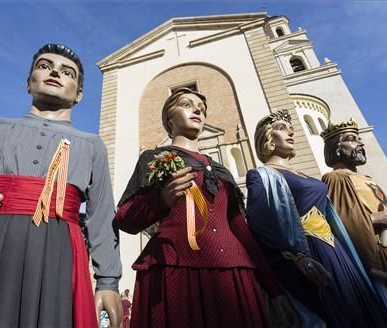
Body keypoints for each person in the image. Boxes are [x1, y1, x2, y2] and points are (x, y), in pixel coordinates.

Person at [0, 44, 122, 327]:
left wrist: (108, 281)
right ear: (27, 83)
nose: (55, 72)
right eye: (45, 66)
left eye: (67, 72)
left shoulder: (93, 145)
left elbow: (103, 217)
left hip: (55, 259)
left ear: (79, 94)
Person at [114, 88, 295, 327]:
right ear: (169, 118)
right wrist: (161, 200)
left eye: (201, 108)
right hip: (175, 271)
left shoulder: (221, 171)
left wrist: (273, 289)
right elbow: (125, 219)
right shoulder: (153, 158)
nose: (197, 109)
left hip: (234, 273)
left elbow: (240, 229)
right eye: (186, 104)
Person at [246, 110, 387, 328]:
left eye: (290, 129)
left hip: (338, 251)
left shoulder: (304, 175)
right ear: (267, 138)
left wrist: (364, 265)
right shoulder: (261, 175)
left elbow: (335, 224)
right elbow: (261, 225)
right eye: (280, 128)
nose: (290, 132)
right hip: (310, 253)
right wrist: (297, 258)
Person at [321, 118, 387, 326]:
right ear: (336, 148)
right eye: (351, 139)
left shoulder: (366, 178)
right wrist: (373, 219)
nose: (360, 143)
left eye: (360, 139)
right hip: (382, 252)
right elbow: (341, 221)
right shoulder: (336, 178)